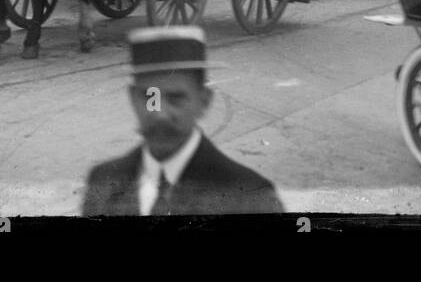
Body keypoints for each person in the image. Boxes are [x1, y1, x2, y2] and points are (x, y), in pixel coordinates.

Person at [82, 27, 283, 216]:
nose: (160, 113)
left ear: (204, 101)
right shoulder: (102, 182)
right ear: (133, 98)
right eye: (150, 98)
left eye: (176, 98)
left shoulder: (250, 197)